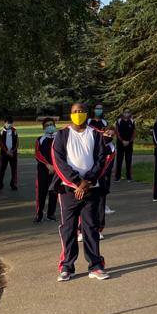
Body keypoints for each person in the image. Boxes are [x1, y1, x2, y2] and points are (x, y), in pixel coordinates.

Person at [51, 102, 112, 281]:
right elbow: (58, 161)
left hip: (91, 189)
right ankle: (67, 266)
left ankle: (96, 265)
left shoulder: (95, 134)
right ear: (70, 114)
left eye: (81, 111)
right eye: (75, 111)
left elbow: (102, 160)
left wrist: (87, 182)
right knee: (68, 228)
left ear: (87, 113)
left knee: (91, 227)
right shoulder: (62, 135)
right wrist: (77, 182)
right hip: (68, 189)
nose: (78, 114)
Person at [88, 103, 115, 232]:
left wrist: (98, 175)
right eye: (107, 134)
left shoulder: (111, 147)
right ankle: (82, 230)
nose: (108, 137)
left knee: (100, 203)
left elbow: (107, 164)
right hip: (91, 177)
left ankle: (99, 229)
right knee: (88, 205)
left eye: (111, 135)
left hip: (101, 178)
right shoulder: (94, 144)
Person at [33, 117, 59, 223]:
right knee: (41, 192)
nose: (49, 127)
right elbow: (37, 154)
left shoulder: (59, 138)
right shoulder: (40, 139)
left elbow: (62, 154)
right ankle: (39, 214)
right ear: (43, 128)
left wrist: (55, 167)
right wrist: (48, 165)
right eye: (47, 125)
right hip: (43, 170)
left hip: (56, 170)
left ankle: (51, 214)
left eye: (51, 124)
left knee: (54, 192)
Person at [0, 116, 18, 192]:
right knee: (1, 169)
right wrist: (6, 151)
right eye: (8, 123)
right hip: (4, 154)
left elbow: (17, 142)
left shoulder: (14, 131)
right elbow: (0, 143)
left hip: (13, 153)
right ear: (5, 123)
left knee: (14, 170)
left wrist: (12, 151)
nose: (9, 124)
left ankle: (13, 184)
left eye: (11, 123)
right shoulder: (2, 131)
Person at [114, 107, 136, 181]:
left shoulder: (132, 121)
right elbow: (117, 132)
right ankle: (117, 177)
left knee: (128, 160)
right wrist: (122, 141)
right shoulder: (119, 121)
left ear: (130, 113)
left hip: (129, 144)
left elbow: (134, 133)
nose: (126, 113)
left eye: (128, 112)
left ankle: (129, 177)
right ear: (122, 113)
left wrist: (129, 141)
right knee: (119, 160)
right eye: (125, 112)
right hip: (120, 144)